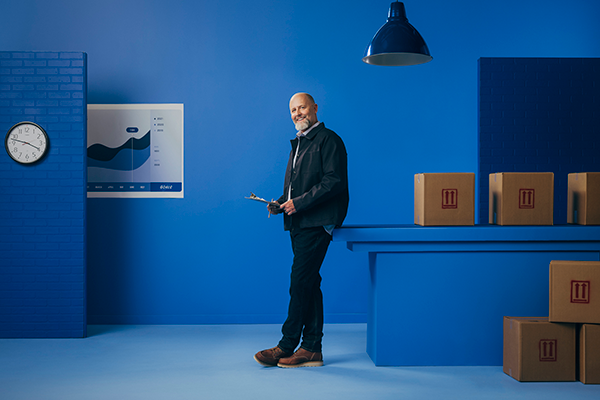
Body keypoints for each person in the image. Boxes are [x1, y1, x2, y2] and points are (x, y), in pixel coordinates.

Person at [254, 92, 349, 368]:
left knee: (299, 282)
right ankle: (312, 349)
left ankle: (286, 344)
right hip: (300, 221)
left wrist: (300, 203)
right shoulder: (298, 144)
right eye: (293, 110)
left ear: (315, 108)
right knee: (309, 283)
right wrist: (281, 203)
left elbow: (334, 182)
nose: (298, 113)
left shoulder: (329, 140)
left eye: (302, 107)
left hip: (317, 222)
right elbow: (297, 189)